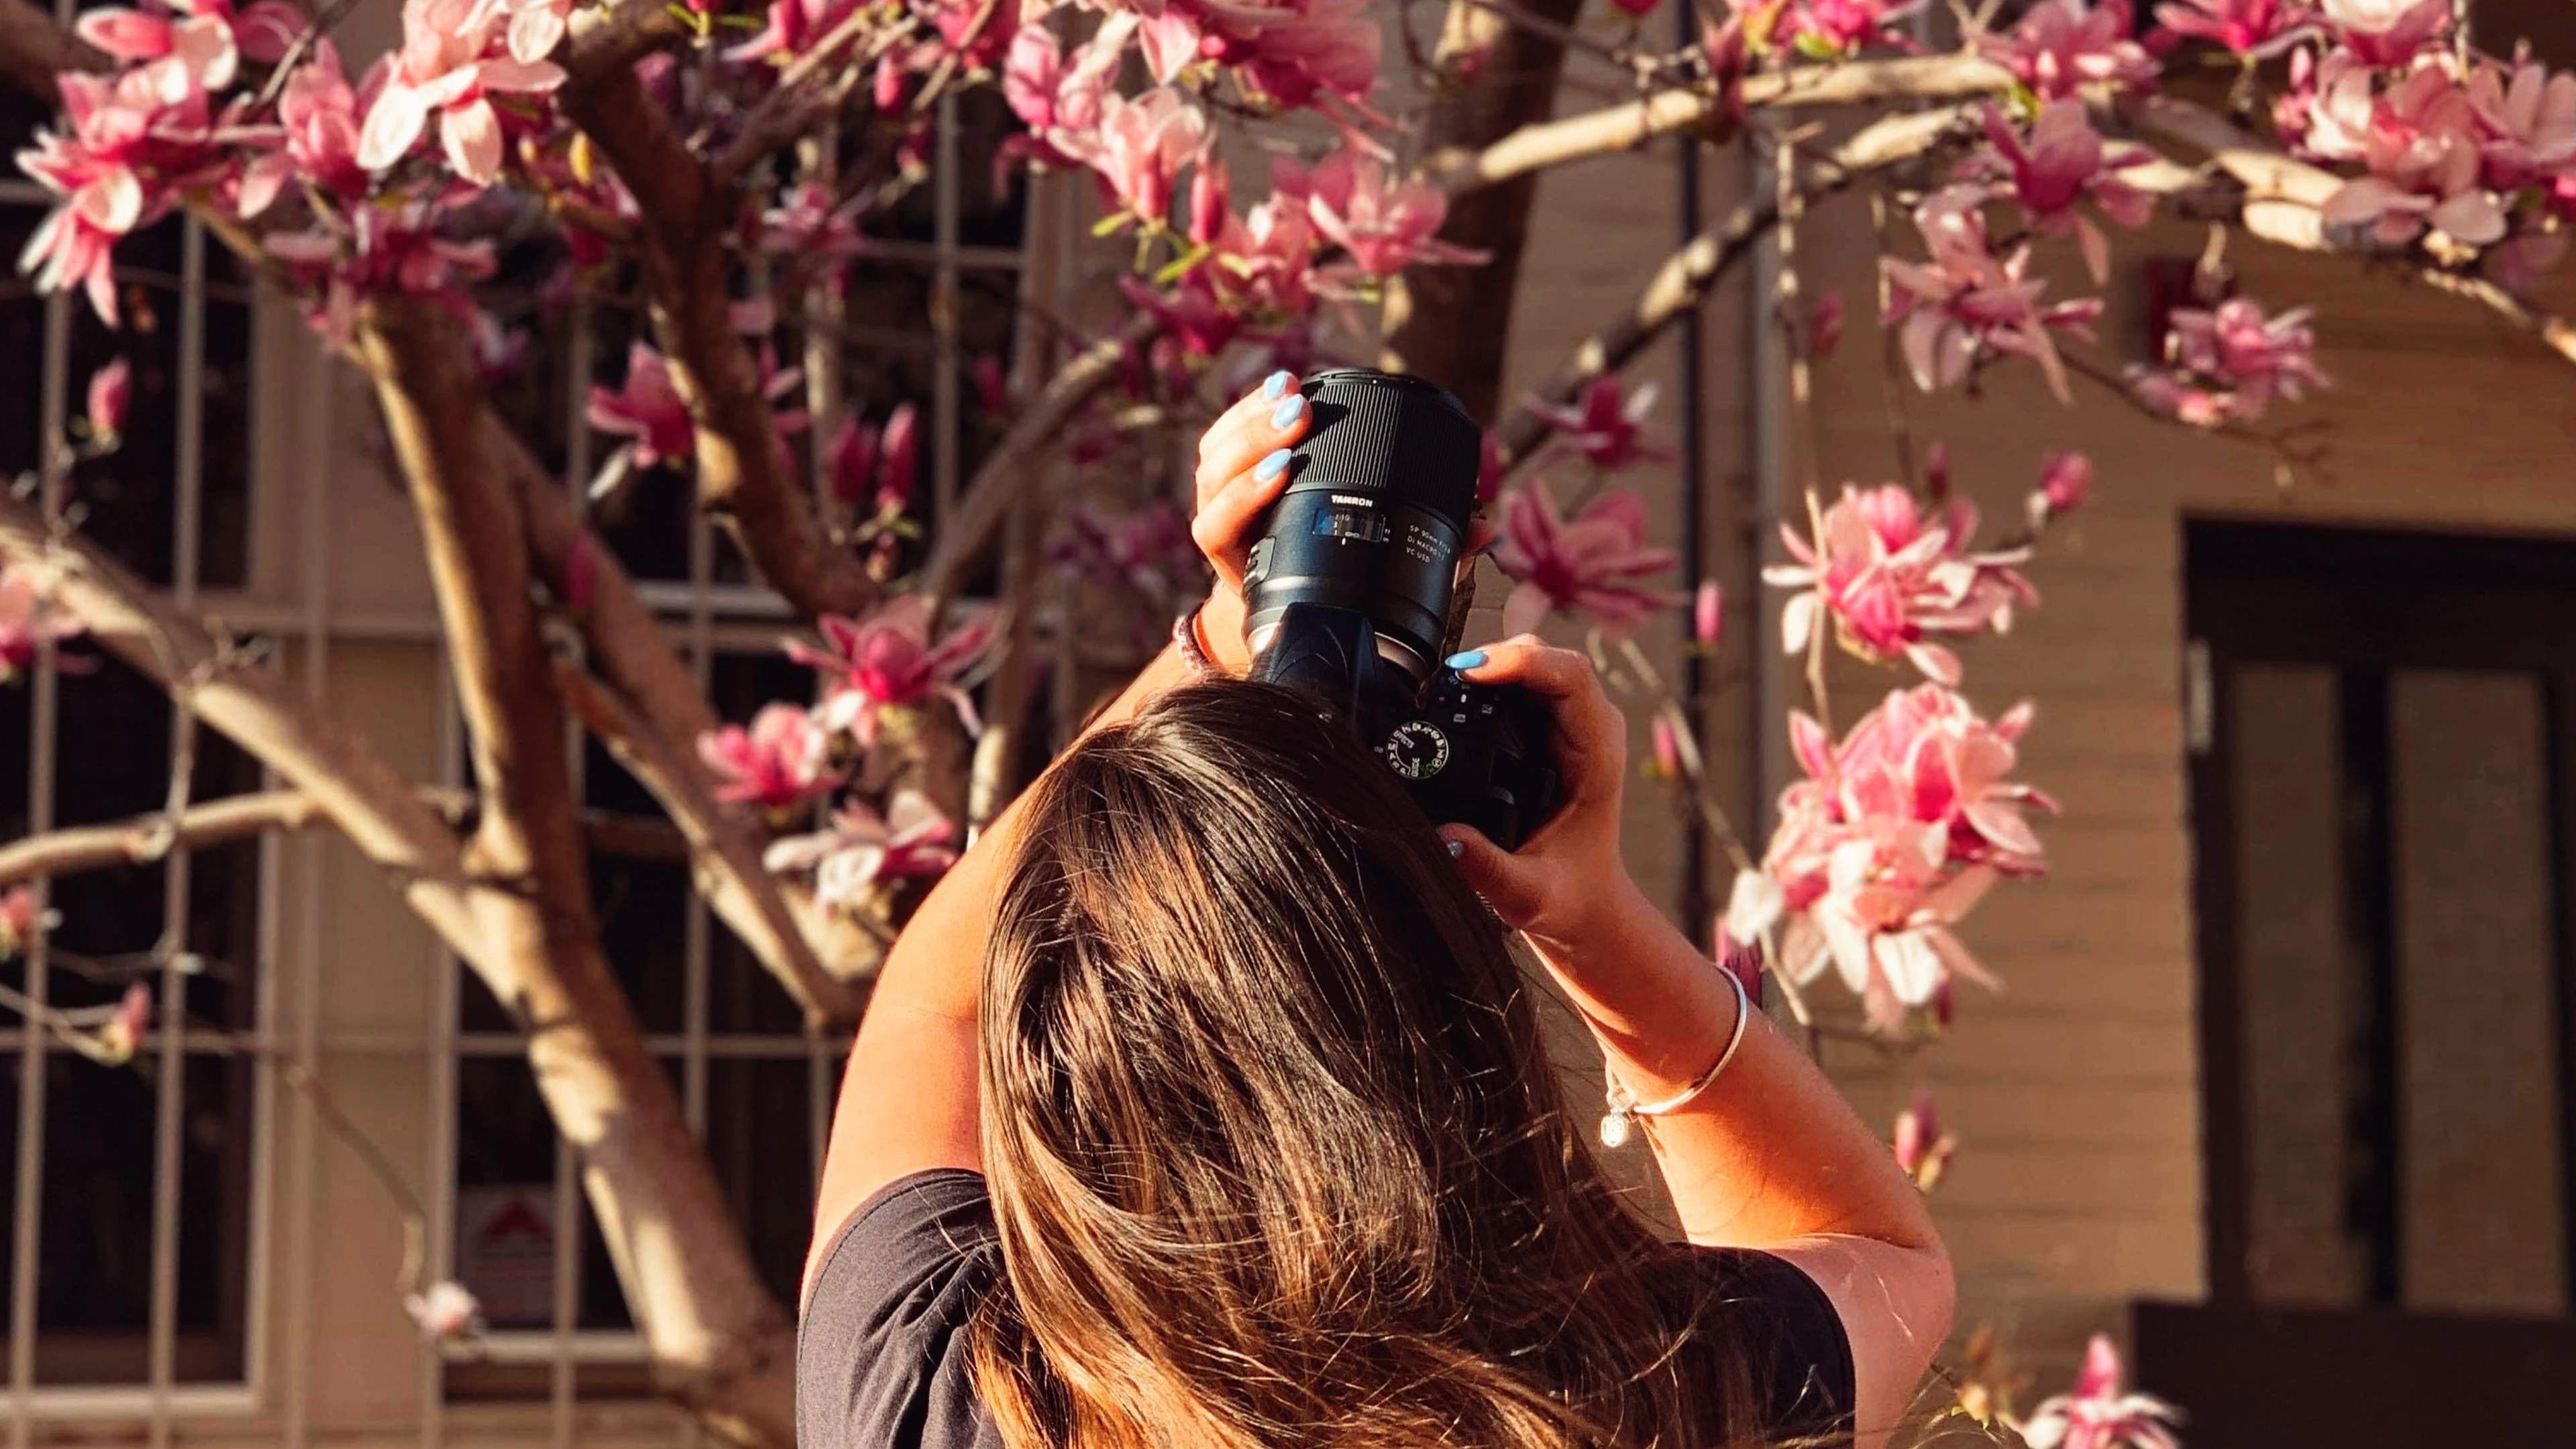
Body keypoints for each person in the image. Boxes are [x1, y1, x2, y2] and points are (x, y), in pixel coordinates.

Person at [798, 375, 1954, 1449]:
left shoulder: (934, 1388)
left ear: (1061, 1054)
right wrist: (1591, 918)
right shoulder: (1647, 1399)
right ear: (1458, 1026)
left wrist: (1229, 640)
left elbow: (935, 1010)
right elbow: (1881, 1253)